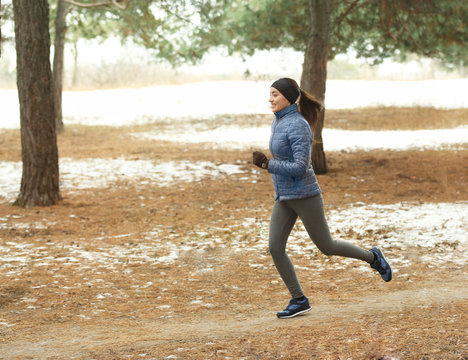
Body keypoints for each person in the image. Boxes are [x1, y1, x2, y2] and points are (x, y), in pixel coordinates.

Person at [252, 78, 392, 319]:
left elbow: (300, 166)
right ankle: (299, 299)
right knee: (275, 247)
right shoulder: (280, 122)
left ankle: (373, 257)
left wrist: (268, 164)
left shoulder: (297, 125)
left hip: (305, 195)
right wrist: (270, 166)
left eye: (274, 94)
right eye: (270, 94)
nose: (270, 99)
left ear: (287, 97)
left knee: (326, 246)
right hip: (284, 195)